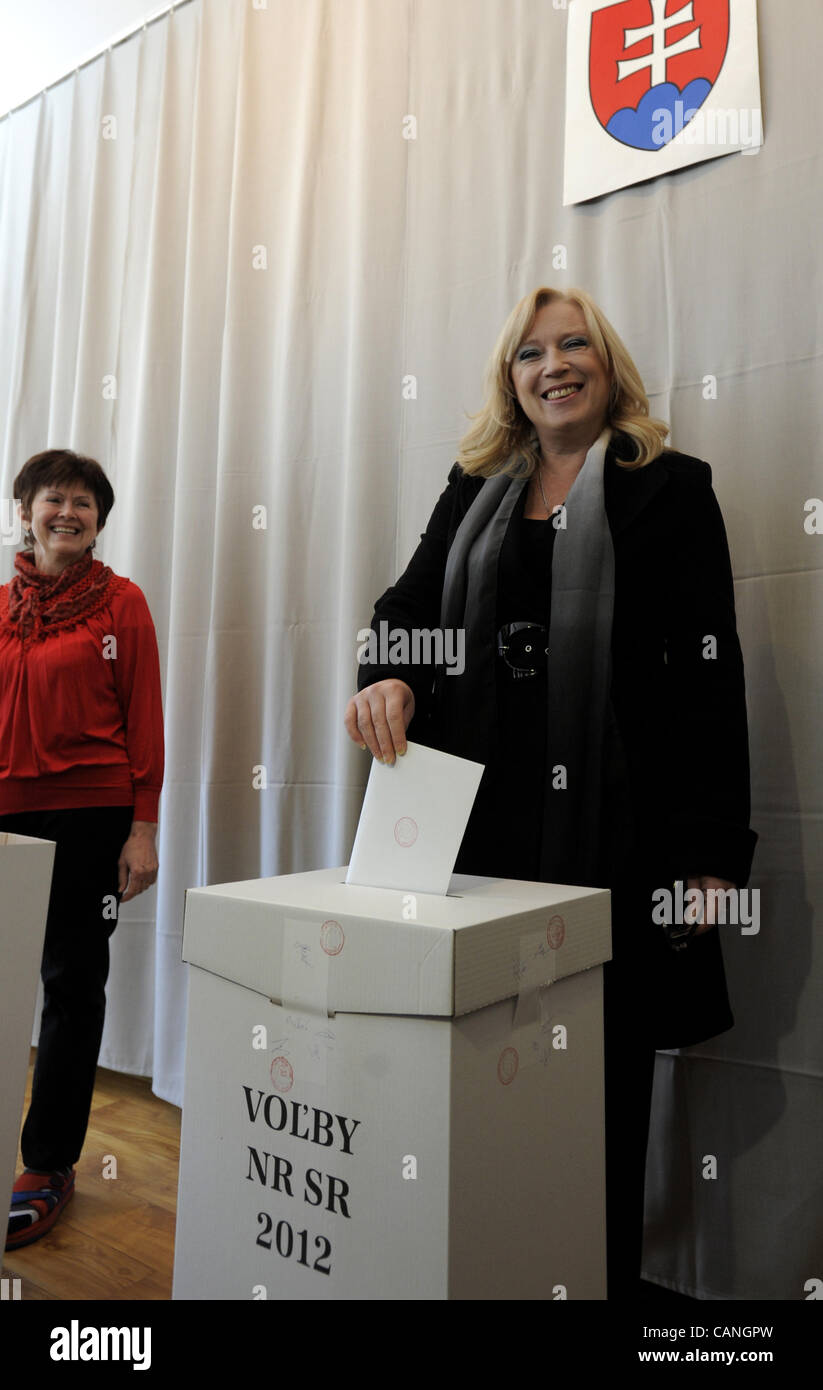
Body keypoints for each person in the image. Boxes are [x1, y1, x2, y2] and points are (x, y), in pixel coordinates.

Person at [344, 287, 757, 1298]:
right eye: (530, 353)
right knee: (484, 1069)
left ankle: (598, 1281)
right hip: (477, 834)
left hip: (619, 841)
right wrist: (387, 673)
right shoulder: (474, 484)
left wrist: (709, 857)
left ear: (606, 366)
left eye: (575, 345)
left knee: (599, 1090)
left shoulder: (671, 488)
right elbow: (403, 609)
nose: (553, 364)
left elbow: (710, 675)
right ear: (510, 379)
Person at [1, 448, 164, 1250]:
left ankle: (48, 1162)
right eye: (52, 498)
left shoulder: (121, 605)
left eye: (84, 503)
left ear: (99, 520)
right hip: (4, 813)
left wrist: (143, 826)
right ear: (24, 510)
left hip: (92, 815)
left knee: (71, 984)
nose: (68, 512)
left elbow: (145, 717)